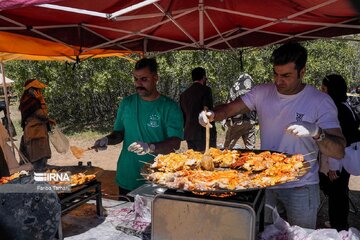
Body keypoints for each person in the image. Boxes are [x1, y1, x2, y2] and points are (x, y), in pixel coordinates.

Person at [198, 42, 346, 229]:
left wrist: (317, 133)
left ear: (302, 72)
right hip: (266, 182)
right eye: (275, 74)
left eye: (285, 76)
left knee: (300, 235)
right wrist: (211, 114)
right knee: (264, 233)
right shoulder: (262, 92)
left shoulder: (320, 101)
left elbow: (339, 151)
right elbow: (229, 109)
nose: (278, 81)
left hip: (302, 185)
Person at [94, 58, 183, 196]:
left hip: (158, 178)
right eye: (136, 79)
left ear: (155, 78)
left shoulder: (169, 107)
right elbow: (119, 133)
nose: (138, 84)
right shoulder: (127, 103)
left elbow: (175, 143)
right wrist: (107, 139)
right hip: (127, 175)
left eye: (144, 79)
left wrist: (150, 147)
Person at [319, 74, 360, 231]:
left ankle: (339, 227)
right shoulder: (345, 104)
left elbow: (336, 140)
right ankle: (338, 223)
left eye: (324, 89)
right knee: (340, 192)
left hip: (339, 160)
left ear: (331, 90)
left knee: (337, 194)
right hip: (346, 158)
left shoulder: (336, 109)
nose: (322, 92)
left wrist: (333, 166)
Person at [19, 79, 55, 170]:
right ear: (33, 90)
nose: (40, 92)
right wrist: (42, 101)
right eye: (38, 90)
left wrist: (48, 120)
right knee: (39, 164)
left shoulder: (26, 101)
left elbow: (34, 117)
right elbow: (43, 115)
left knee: (37, 164)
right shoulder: (33, 102)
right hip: (36, 135)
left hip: (33, 134)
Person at [180, 67, 216, 151]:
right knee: (207, 158)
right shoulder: (206, 90)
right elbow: (208, 111)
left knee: (193, 160)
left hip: (189, 133)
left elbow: (183, 116)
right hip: (203, 133)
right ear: (204, 78)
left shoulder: (184, 94)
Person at [222, 73, 256, 149]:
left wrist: (225, 120)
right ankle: (250, 160)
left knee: (227, 148)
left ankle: (226, 158)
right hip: (250, 122)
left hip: (237, 122)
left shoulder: (234, 88)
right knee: (250, 149)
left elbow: (228, 105)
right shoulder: (253, 88)